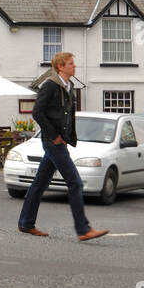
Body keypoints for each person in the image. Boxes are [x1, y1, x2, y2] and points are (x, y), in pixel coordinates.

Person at [17, 52, 107, 242]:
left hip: (59, 141)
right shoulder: (50, 85)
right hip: (52, 141)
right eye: (70, 64)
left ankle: (26, 223)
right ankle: (83, 229)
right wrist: (55, 136)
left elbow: (68, 115)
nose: (74, 66)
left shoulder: (69, 86)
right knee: (75, 182)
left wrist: (67, 137)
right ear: (60, 67)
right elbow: (37, 113)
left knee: (40, 183)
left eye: (73, 63)